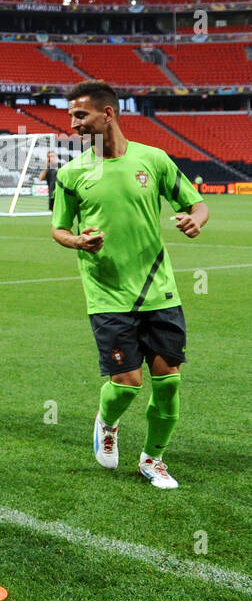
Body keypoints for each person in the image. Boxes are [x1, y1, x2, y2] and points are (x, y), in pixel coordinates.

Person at [52, 80, 208, 489]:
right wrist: (78, 241)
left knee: (169, 379)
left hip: (159, 290)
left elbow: (196, 203)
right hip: (107, 294)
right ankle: (108, 421)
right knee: (126, 384)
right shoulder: (72, 174)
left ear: (108, 113)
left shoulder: (152, 160)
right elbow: (58, 229)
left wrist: (196, 220)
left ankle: (152, 459)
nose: (73, 124)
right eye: (70, 116)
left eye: (80, 115)